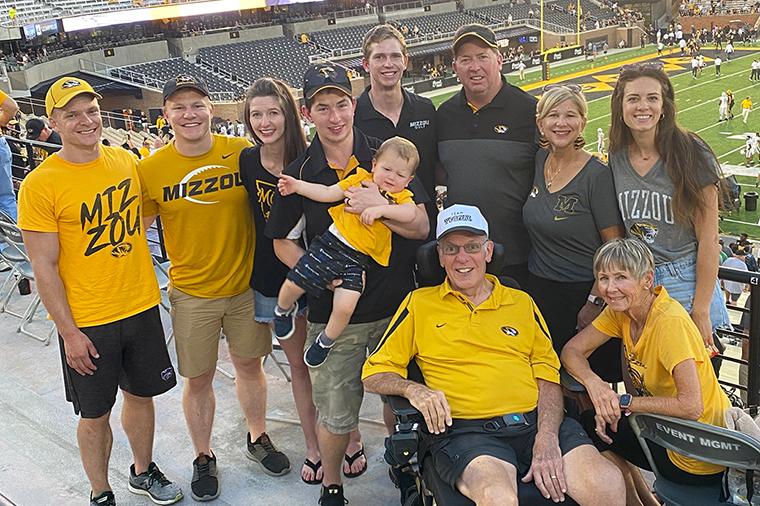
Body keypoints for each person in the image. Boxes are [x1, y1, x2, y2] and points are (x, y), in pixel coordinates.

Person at [362, 204, 626, 506]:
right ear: (439, 256)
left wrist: (547, 437)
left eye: (472, 247)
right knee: (497, 498)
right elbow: (373, 374)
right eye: (451, 248)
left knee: (606, 484)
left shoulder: (521, 302)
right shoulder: (419, 304)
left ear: (488, 251)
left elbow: (547, 372)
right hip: (467, 432)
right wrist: (413, 389)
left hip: (536, 422)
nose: (462, 258)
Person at [266, 62, 429, 506]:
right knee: (336, 413)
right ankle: (332, 482)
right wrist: (321, 274)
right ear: (307, 112)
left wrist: (387, 206)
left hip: (396, 306)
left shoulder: (387, 158)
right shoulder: (301, 169)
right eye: (323, 107)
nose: (335, 116)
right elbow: (282, 243)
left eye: (342, 104)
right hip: (336, 312)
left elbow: (421, 224)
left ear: (353, 105)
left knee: (401, 404)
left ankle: (403, 464)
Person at [17, 76, 181, 506]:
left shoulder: (125, 161)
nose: (86, 121)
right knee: (95, 413)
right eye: (71, 115)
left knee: (142, 397)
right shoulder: (41, 184)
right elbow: (43, 266)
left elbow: (141, 215)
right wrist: (69, 332)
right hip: (88, 320)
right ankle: (100, 491)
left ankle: (142, 471)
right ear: (54, 121)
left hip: (141, 305)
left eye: (90, 110)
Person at [138, 75, 290, 501]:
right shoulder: (151, 169)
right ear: (165, 114)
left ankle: (257, 436)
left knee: (249, 366)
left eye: (197, 105)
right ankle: (203, 455)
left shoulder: (240, 154)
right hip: (191, 292)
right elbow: (136, 231)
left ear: (211, 110)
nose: (189, 114)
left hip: (244, 285)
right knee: (199, 378)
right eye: (179, 106)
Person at [562, 238, 731, 505]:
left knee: (594, 424)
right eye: (603, 278)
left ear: (646, 279)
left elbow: (691, 406)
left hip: (697, 454)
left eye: (621, 277)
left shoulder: (669, 322)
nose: (610, 288)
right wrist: (596, 385)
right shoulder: (622, 311)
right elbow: (571, 351)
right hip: (668, 434)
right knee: (601, 421)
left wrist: (623, 402)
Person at [608, 62, 730, 356]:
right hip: (639, 282)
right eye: (633, 98)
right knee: (645, 384)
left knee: (695, 393)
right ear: (621, 107)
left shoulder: (691, 151)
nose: (643, 106)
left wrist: (700, 309)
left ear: (664, 106)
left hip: (686, 279)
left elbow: (710, 239)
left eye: (652, 98)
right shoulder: (616, 156)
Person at [238, 77, 323, 485]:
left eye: (273, 112)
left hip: (317, 276)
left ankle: (350, 434)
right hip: (273, 282)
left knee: (328, 366)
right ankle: (313, 445)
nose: (265, 121)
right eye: (257, 114)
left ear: (289, 114)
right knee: (299, 367)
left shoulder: (310, 160)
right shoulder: (247, 161)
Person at [275, 136, 418, 368]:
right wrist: (297, 186)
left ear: (409, 180)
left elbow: (411, 215)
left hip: (357, 260)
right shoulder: (361, 178)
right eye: (387, 169)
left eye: (400, 175)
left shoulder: (401, 198)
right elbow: (328, 192)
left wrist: (381, 208)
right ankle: (282, 310)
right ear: (374, 165)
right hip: (331, 245)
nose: (391, 177)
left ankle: (325, 342)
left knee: (345, 306)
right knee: (295, 282)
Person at [523, 85, 624, 378]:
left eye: (570, 115)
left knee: (587, 384)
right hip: (540, 291)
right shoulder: (539, 161)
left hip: (583, 294)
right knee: (547, 377)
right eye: (552, 115)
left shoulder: (597, 175)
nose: (561, 123)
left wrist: (595, 301)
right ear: (540, 122)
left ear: (583, 122)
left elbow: (613, 246)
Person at [437, 24, 538, 287]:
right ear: (455, 66)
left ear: (499, 60)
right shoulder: (444, 116)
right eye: (466, 59)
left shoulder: (530, 111)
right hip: (462, 258)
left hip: (520, 255)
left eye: (482, 56)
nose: (475, 66)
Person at [355, 24, 438, 230]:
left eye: (394, 56)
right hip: (372, 232)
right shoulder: (353, 117)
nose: (388, 64)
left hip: (425, 230)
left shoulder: (425, 109)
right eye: (379, 57)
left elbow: (440, 165)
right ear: (366, 64)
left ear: (405, 61)